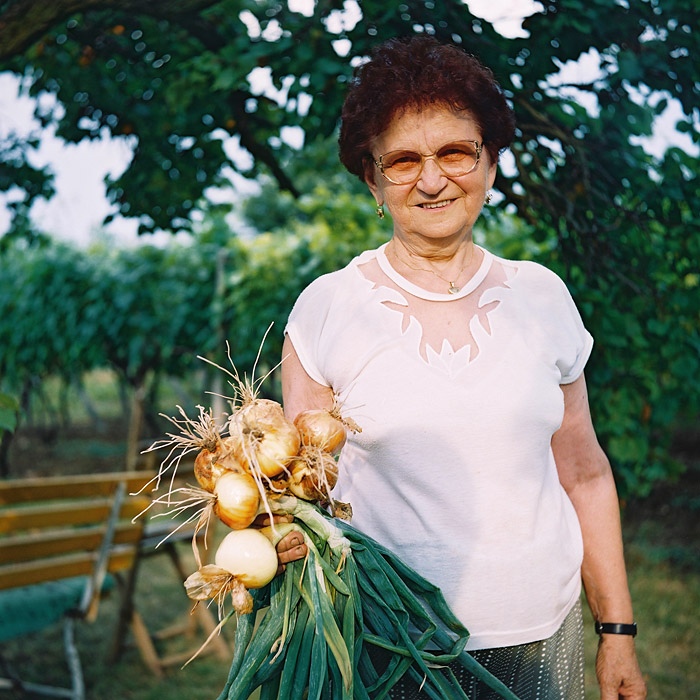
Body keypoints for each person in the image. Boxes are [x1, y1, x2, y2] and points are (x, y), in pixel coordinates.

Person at [275, 36, 646, 700]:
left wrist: (616, 631)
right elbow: (302, 491)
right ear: (373, 180)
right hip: (392, 641)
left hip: (542, 634)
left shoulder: (543, 296)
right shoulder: (327, 308)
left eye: (454, 152)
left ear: (491, 162)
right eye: (404, 160)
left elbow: (584, 473)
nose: (432, 178)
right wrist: (274, 533)